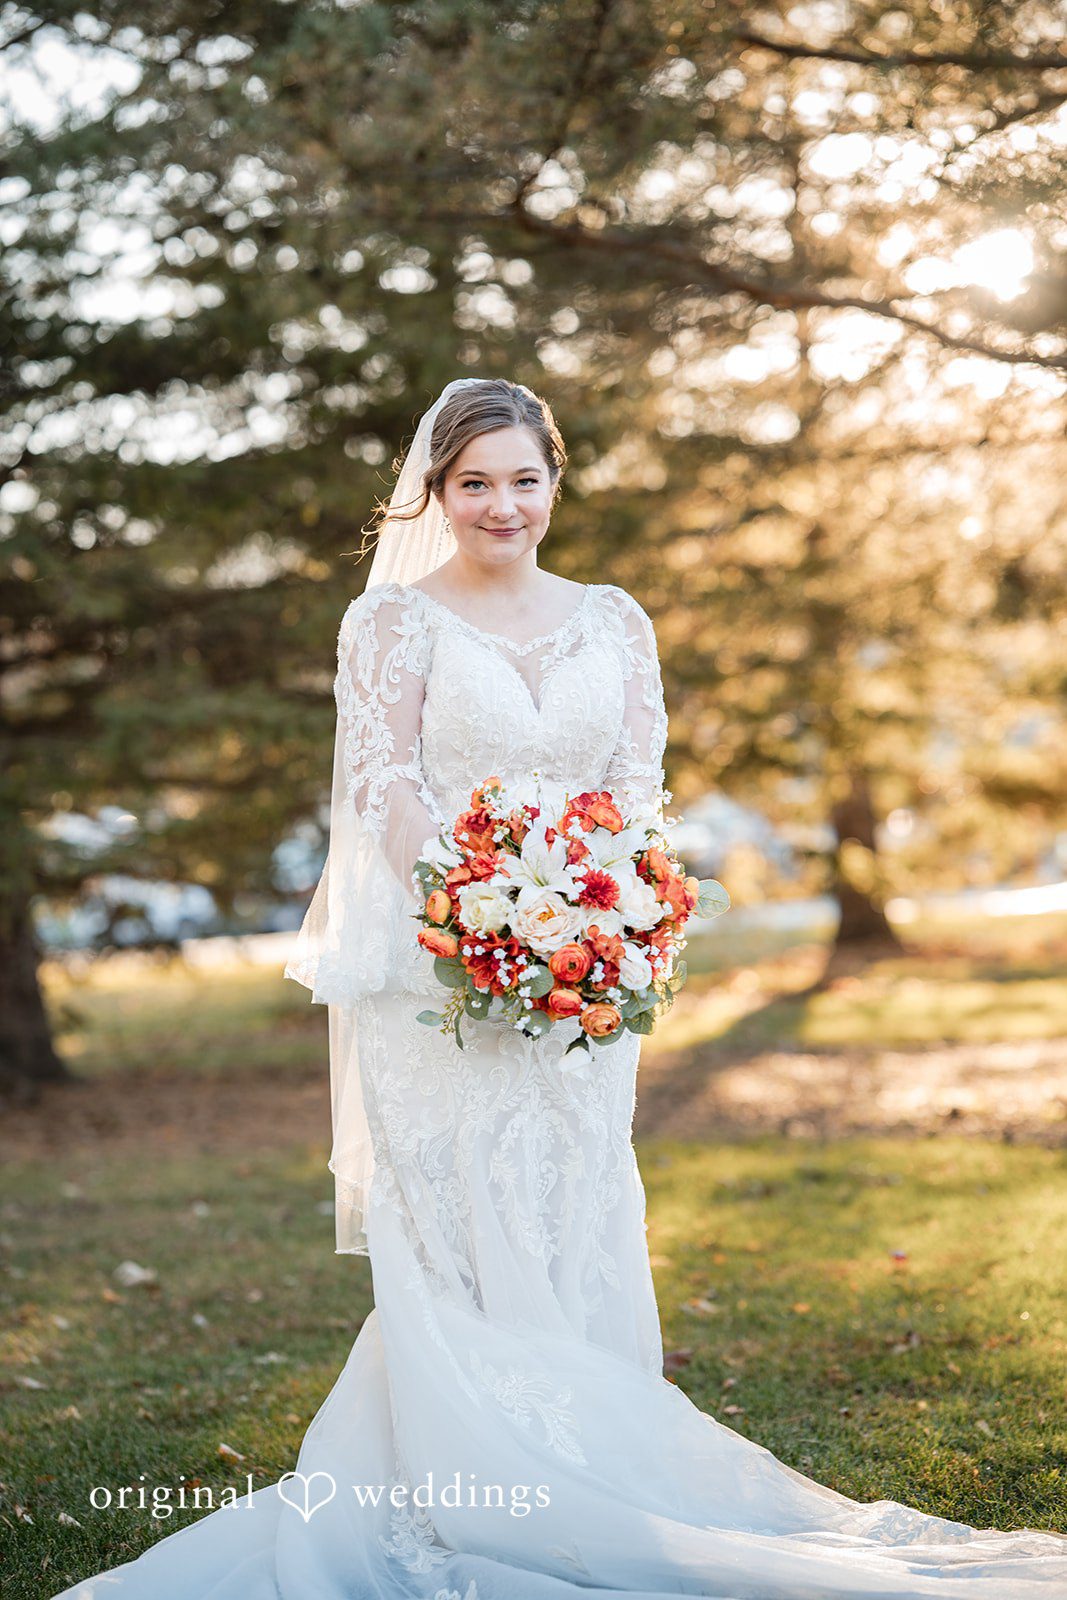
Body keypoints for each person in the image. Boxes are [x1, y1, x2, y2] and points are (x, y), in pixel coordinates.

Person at [51, 378, 1067, 1598]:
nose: (501, 503)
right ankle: (457, 1483)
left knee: (574, 1213)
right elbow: (384, 787)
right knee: (464, 1237)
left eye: (522, 478)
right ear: (437, 494)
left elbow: (635, 786)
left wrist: (606, 914)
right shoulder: (393, 626)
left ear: (553, 481)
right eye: (473, 482)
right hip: (438, 980)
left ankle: (594, 1462)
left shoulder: (612, 619)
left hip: (589, 975)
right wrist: (476, 917)